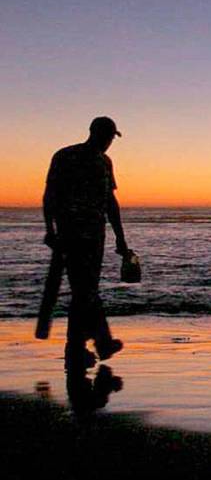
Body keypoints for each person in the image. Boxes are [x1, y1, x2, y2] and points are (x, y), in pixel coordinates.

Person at [43, 116, 132, 363]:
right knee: (85, 289)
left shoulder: (103, 162)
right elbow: (50, 195)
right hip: (73, 234)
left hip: (93, 235)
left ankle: (83, 346)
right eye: (108, 137)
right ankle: (93, 344)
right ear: (96, 133)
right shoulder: (66, 156)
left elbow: (110, 202)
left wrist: (120, 237)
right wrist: (50, 230)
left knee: (84, 289)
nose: (109, 142)